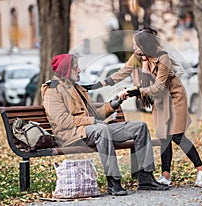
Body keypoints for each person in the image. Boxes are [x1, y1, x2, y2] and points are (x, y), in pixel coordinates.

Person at [91, 28, 202, 187]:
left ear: (145, 45)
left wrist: (137, 91)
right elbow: (121, 73)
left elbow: (160, 86)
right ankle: (166, 176)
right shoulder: (138, 58)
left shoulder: (163, 59)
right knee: (163, 137)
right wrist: (96, 85)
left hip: (174, 98)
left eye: (137, 45)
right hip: (159, 101)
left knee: (177, 135)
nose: (134, 48)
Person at [41, 53, 169, 196]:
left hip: (93, 130)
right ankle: (113, 182)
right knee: (101, 130)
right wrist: (92, 121)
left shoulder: (77, 88)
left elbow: (96, 115)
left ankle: (146, 177)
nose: (79, 71)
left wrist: (116, 102)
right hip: (72, 135)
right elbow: (62, 121)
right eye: (76, 68)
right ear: (65, 70)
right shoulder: (53, 91)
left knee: (140, 127)